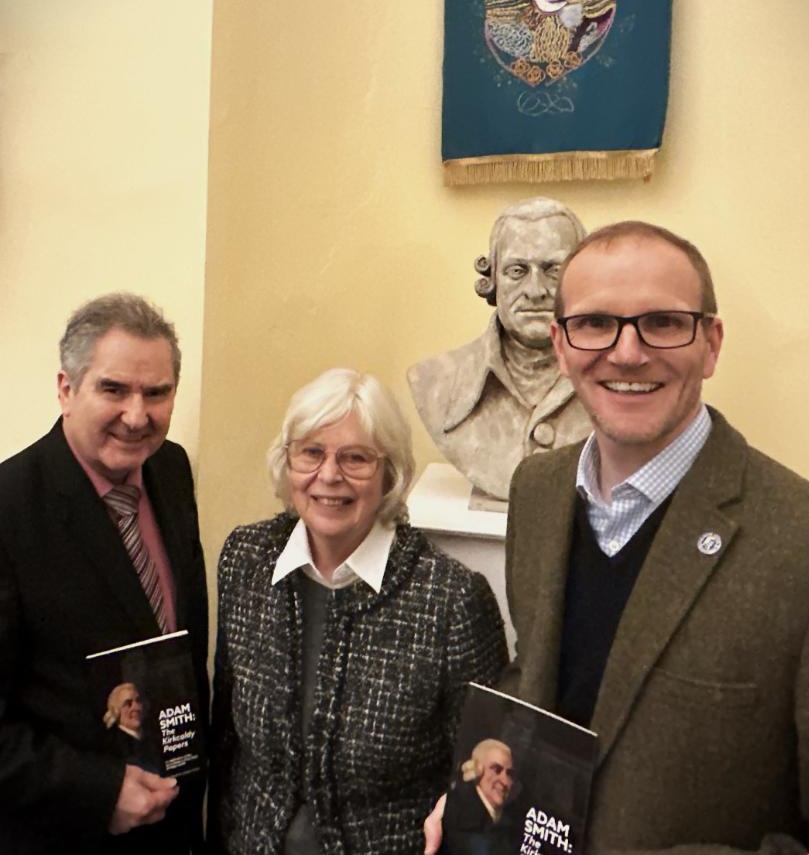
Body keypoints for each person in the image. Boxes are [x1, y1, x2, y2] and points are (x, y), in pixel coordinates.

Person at [427, 222, 809, 854]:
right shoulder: (538, 489)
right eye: (596, 323)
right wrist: (474, 798)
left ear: (711, 344)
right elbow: (541, 677)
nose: (627, 353)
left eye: (662, 322)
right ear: (560, 342)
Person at [209, 368, 508, 855]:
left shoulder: (451, 599)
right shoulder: (246, 560)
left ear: (390, 473)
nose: (329, 476)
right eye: (311, 453)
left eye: (355, 458)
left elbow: (479, 772)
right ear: (287, 464)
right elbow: (227, 739)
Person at [0, 293, 209, 854]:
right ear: (66, 389)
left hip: (175, 824)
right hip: (65, 834)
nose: (137, 416)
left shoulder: (170, 469)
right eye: (113, 389)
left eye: (156, 393)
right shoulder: (9, 509)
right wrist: (97, 792)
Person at [408, 197, 592, 500]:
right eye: (517, 271)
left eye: (553, 271)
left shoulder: (615, 379)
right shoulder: (436, 382)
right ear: (492, 278)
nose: (536, 291)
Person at [440, 740, 516, 855]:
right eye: (496, 769)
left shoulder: (508, 827)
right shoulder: (455, 811)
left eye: (509, 773)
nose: (505, 781)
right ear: (475, 769)